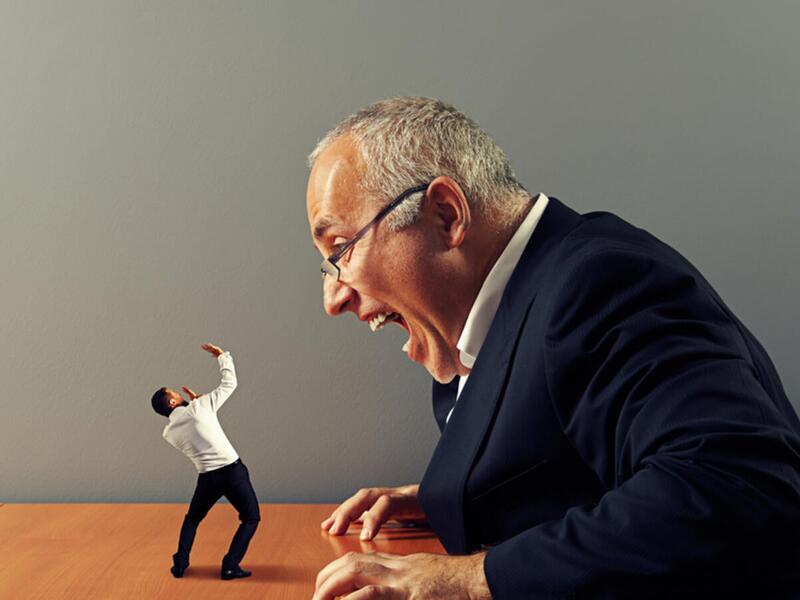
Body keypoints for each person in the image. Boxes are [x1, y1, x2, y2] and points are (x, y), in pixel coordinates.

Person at [306, 97, 800, 599]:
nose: (335, 298)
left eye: (341, 250)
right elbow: (570, 455)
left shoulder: (601, 282)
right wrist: (452, 496)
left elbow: (736, 483)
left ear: (446, 214)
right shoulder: (506, 299)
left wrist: (468, 581)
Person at [151, 343, 260, 581]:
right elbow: (229, 384)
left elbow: (195, 429)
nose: (178, 394)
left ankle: (180, 564)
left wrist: (198, 406)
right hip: (232, 472)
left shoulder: (168, 433)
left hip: (207, 477)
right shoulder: (200, 407)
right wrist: (223, 356)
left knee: (192, 518)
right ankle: (230, 565)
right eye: (174, 393)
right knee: (251, 517)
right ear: (171, 402)